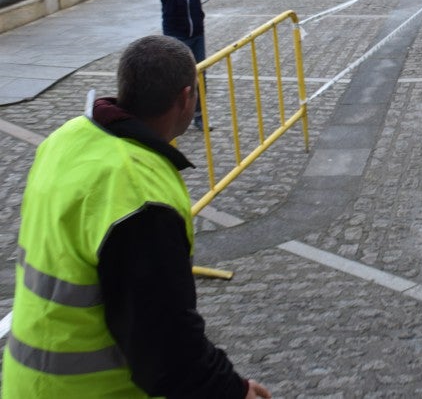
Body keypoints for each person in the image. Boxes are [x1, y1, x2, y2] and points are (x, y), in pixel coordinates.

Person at [1, 34, 272, 399]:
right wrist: (231, 391)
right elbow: (164, 338)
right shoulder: (139, 195)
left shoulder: (65, 138)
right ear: (185, 98)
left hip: (27, 382)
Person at [154, 0, 225, 130]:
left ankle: (199, 116)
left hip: (197, 33)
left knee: (199, 75)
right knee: (177, 79)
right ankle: (170, 118)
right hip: (176, 34)